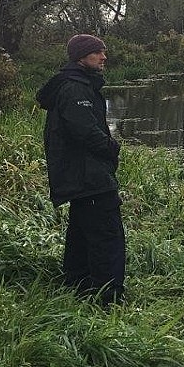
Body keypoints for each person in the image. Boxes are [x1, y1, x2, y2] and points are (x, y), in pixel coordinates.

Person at [35, 34, 124, 306]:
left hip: (82, 175)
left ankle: (78, 285)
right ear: (81, 57)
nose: (103, 57)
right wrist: (112, 148)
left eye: (103, 51)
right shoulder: (74, 89)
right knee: (107, 236)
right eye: (97, 52)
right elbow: (85, 132)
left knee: (82, 231)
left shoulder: (79, 84)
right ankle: (107, 299)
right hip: (88, 176)